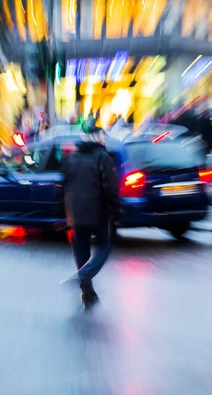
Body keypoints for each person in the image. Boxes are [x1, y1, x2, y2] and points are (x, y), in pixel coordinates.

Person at [60, 126, 121, 310]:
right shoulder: (102, 157)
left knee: (81, 249)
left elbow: (63, 186)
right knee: (104, 245)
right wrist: (117, 212)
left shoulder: (72, 158)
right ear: (99, 138)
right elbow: (111, 188)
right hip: (98, 211)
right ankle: (84, 275)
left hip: (76, 212)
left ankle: (88, 293)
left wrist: (61, 214)